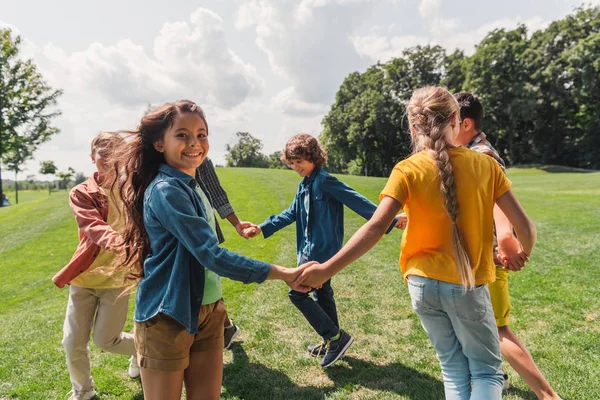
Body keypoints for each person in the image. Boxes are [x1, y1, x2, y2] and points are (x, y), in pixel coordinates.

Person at [295, 86, 537, 399]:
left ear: (412, 127)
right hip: (468, 285)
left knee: (453, 368)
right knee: (487, 372)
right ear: (455, 119)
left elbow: (374, 228)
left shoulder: (406, 169)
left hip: (421, 285)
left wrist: (326, 269)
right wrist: (521, 253)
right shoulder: (486, 166)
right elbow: (525, 227)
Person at [110, 100, 309, 400]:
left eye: (202, 135)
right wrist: (283, 273)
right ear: (159, 143)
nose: (195, 143)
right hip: (167, 315)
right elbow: (211, 255)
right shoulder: (166, 190)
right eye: (182, 135)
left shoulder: (193, 183)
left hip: (209, 310)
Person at [245, 133, 400, 368]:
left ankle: (336, 338)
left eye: (300, 161)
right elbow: (291, 213)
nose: (296, 167)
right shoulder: (304, 184)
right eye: (292, 163)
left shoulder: (325, 181)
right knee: (322, 293)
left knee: (297, 293)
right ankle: (331, 340)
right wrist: (262, 228)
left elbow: (355, 200)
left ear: (314, 158)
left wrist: (390, 219)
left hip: (324, 254)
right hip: (308, 252)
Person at [453, 92, 561, 399]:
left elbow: (497, 201)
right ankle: (494, 373)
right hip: (481, 255)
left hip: (489, 258)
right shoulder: (472, 152)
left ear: (466, 123)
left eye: (450, 122)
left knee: (499, 330)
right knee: (479, 327)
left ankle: (548, 395)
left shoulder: (483, 155)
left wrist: (505, 238)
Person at [55, 132, 139, 400]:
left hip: (117, 280)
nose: (108, 157)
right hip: (84, 280)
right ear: (93, 158)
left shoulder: (134, 190)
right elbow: (91, 225)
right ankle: (83, 392)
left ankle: (143, 349)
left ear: (124, 156)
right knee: (72, 342)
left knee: (106, 341)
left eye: (115, 151)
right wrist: (120, 243)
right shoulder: (81, 192)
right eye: (102, 152)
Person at [196, 158, 258, 349]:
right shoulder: (156, 154)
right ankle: (226, 327)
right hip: (176, 229)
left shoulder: (202, 160)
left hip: (203, 231)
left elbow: (217, 194)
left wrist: (238, 224)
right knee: (203, 283)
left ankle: (219, 331)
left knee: (206, 282)